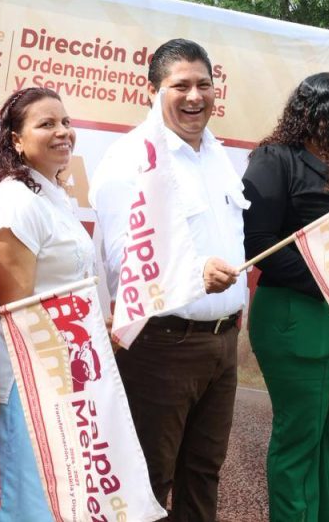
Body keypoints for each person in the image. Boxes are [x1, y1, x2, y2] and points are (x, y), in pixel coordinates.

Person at [89, 38, 247, 521]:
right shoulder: (132, 159)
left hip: (221, 344)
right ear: (153, 91)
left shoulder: (217, 155)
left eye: (204, 84)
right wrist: (192, 275)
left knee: (204, 473)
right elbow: (121, 260)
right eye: (181, 86)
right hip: (160, 344)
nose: (195, 96)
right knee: (148, 483)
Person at [242, 73, 329, 522]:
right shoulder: (275, 159)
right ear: (323, 115)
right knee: (300, 441)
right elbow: (259, 244)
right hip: (297, 319)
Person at [0, 87, 92, 522]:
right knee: (25, 507)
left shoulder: (49, 195)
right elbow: (16, 314)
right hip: (27, 385)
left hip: (59, 377)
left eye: (66, 122)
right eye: (47, 124)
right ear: (16, 140)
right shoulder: (14, 203)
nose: (63, 132)